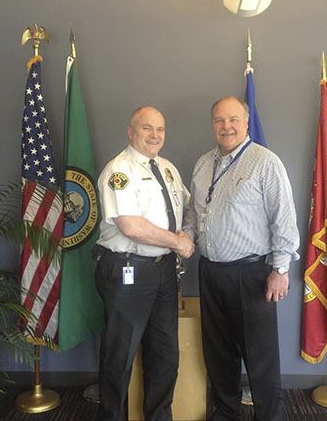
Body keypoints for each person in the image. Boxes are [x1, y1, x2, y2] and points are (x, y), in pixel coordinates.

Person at [183, 96, 300, 421]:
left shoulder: (265, 162)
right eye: (220, 120)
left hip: (252, 275)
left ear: (246, 122)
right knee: (219, 353)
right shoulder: (203, 163)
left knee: (260, 358)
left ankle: (270, 417)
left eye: (233, 119)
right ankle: (226, 413)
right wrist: (185, 238)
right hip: (209, 272)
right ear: (213, 125)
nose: (227, 126)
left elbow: (284, 220)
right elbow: (194, 213)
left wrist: (280, 269)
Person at [94, 106, 194, 421]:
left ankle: (159, 417)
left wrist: (187, 234)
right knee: (119, 356)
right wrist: (178, 242)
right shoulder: (119, 170)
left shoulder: (167, 168)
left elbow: (186, 211)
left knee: (165, 354)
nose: (155, 135)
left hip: (163, 271)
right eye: (147, 128)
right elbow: (131, 227)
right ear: (131, 131)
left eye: (160, 129)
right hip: (128, 269)